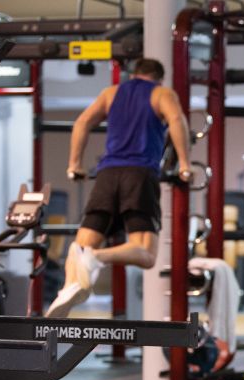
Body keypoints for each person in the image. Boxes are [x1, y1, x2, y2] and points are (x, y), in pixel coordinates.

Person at [46, 57, 191, 318]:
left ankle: (67, 288)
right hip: (139, 174)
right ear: (159, 77)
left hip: (106, 174)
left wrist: (74, 164)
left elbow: (81, 123)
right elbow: (177, 121)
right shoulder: (162, 93)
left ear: (134, 74)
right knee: (146, 254)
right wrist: (185, 164)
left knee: (81, 243)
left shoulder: (110, 93)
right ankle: (97, 258)